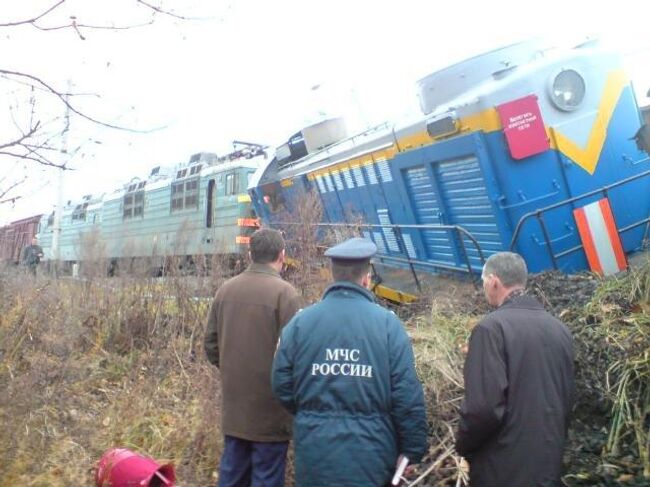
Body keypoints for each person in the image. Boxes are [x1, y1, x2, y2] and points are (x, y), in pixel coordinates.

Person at [272, 237, 428, 486]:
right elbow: (406, 394)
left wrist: (311, 411)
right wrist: (412, 449)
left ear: (332, 275)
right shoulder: (387, 325)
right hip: (372, 456)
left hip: (315, 454)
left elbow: (281, 383)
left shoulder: (301, 324)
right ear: (366, 278)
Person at [456, 252, 575, 487]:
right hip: (548, 465)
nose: (484, 289)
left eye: (483, 282)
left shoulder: (490, 329)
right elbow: (567, 398)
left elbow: (483, 408)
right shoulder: (560, 330)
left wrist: (463, 445)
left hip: (503, 469)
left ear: (494, 281)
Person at [204, 228, 303, 487]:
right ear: (282, 255)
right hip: (272, 411)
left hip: (235, 407)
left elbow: (210, 345)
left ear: (250, 254)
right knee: (267, 478)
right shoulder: (286, 294)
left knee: (232, 475)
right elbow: (295, 355)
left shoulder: (225, 290)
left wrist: (231, 369)